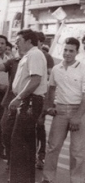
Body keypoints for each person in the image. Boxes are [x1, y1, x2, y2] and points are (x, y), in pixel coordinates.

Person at [41, 37, 85, 183]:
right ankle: (48, 178)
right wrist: (49, 106)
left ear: (77, 52)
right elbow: (51, 88)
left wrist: (78, 116)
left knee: (77, 151)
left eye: (71, 51)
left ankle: (77, 180)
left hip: (78, 111)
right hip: (60, 110)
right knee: (53, 147)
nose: (67, 53)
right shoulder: (56, 68)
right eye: (65, 50)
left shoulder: (83, 68)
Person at [8, 29, 47, 183]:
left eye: (19, 40)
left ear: (29, 41)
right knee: (24, 142)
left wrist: (19, 97)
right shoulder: (29, 55)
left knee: (20, 141)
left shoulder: (35, 54)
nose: (16, 43)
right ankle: (23, 178)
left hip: (30, 101)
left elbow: (35, 79)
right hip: (27, 100)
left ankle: (19, 179)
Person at [35, 31, 54, 170]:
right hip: (30, 96)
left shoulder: (47, 56)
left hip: (42, 96)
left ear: (41, 42)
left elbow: (50, 77)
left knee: (40, 126)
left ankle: (41, 156)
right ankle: (31, 155)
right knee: (31, 128)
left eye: (37, 41)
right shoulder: (28, 55)